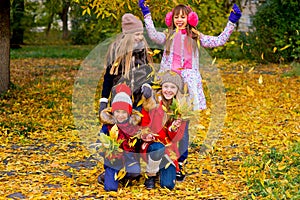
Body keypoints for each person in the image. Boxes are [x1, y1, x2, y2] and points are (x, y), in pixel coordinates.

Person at [138, 1, 242, 180]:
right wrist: (146, 13)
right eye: (176, 17)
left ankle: (180, 163)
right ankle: (161, 159)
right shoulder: (167, 35)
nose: (179, 20)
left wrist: (232, 22)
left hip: (187, 90)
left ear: (189, 19)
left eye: (183, 17)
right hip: (168, 86)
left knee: (182, 126)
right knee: (163, 120)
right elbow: (153, 35)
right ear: (172, 19)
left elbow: (218, 40)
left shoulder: (195, 36)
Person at [97, 13, 154, 184]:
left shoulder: (143, 49)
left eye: (140, 33)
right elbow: (108, 77)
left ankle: (131, 170)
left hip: (136, 102)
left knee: (133, 135)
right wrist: (103, 100)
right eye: (136, 34)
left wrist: (148, 86)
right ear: (128, 35)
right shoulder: (116, 50)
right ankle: (111, 170)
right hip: (119, 102)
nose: (139, 37)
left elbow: (148, 73)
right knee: (116, 137)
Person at [139, 71, 188, 189]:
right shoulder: (152, 102)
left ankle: (160, 168)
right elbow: (143, 125)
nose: (168, 90)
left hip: (169, 150)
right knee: (158, 148)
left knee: (168, 185)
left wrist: (173, 128)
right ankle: (151, 175)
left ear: (177, 90)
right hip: (152, 145)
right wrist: (146, 134)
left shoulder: (180, 109)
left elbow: (178, 137)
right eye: (166, 86)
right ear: (161, 87)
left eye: (172, 87)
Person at [99, 83, 142, 191]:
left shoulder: (133, 127)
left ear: (129, 113)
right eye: (117, 112)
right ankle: (106, 176)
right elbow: (99, 144)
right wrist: (107, 151)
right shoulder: (107, 127)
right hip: (112, 161)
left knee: (135, 171)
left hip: (129, 159)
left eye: (124, 112)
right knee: (110, 188)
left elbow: (138, 146)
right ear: (113, 112)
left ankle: (125, 176)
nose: (120, 115)